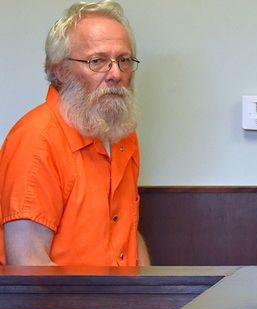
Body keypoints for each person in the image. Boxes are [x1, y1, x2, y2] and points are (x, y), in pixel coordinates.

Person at [0, 0, 150, 266]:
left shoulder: (122, 132)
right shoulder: (36, 140)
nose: (116, 73)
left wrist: (151, 291)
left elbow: (127, 233)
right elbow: (29, 265)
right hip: (63, 297)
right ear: (59, 70)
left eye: (123, 60)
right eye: (97, 61)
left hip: (123, 293)